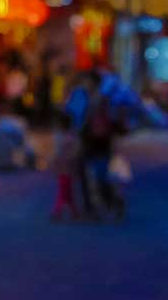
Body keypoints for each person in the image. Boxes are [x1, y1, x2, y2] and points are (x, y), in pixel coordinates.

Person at [79, 70, 124, 219]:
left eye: (87, 81)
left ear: (94, 83)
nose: (85, 84)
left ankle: (111, 203)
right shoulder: (88, 97)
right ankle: (98, 206)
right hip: (91, 141)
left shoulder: (99, 99)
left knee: (100, 176)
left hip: (99, 142)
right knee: (90, 175)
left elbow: (94, 121)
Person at [49, 112, 80, 221]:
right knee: (67, 191)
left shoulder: (65, 137)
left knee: (64, 191)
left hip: (66, 167)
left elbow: (62, 153)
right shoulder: (69, 136)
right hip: (66, 167)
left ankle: (57, 211)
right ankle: (74, 212)